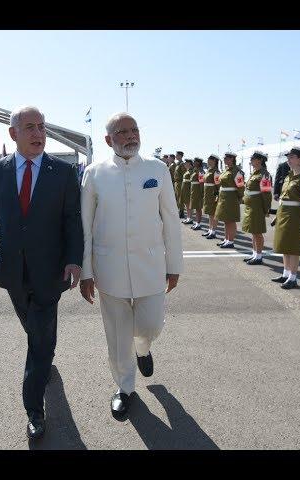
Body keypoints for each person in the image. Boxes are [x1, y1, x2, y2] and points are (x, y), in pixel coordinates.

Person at [0, 106, 83, 440]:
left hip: (50, 272)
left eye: (42, 127)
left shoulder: (62, 172)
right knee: (35, 330)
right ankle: (44, 356)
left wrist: (74, 259)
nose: (38, 134)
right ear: (13, 134)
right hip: (11, 272)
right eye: (30, 127)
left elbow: (71, 221)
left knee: (39, 339)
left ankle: (34, 409)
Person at [80, 113, 182, 420]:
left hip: (150, 263)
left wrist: (174, 263)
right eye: (122, 132)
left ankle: (143, 347)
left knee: (150, 324)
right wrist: (86, 271)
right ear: (108, 140)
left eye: (134, 130)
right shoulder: (94, 173)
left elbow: (171, 219)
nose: (130, 136)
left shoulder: (157, 169)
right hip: (108, 267)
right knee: (116, 332)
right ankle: (124, 388)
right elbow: (84, 225)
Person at [272, 147, 300, 289]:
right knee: (285, 245)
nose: (288, 160)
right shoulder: (288, 176)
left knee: (293, 248)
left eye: (292, 157)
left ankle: (293, 277)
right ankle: (285, 273)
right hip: (284, 213)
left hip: (295, 214)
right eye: (288, 157)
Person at [241, 151, 273, 265]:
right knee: (253, 231)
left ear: (260, 160)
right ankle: (254, 254)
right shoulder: (255, 173)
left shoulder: (264, 174)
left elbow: (267, 194)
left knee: (257, 232)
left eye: (253, 159)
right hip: (251, 206)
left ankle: (259, 256)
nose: (251, 161)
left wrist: (266, 209)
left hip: (258, 206)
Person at [215, 152, 245, 248]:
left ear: (232, 159)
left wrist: (240, 198)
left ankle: (231, 241)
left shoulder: (236, 171)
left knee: (231, 220)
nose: (224, 160)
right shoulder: (226, 170)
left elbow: (240, 187)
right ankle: (226, 239)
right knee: (225, 220)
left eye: (226, 158)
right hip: (224, 197)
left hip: (231, 198)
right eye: (224, 158)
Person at [202, 154, 221, 239]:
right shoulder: (209, 170)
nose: (208, 161)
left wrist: (217, 195)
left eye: (210, 160)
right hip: (207, 193)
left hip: (213, 193)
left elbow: (218, 185)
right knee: (210, 213)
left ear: (214, 161)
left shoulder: (216, 171)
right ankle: (210, 229)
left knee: (213, 213)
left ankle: (213, 231)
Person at [189, 157, 205, 231]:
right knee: (195, 207)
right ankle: (196, 222)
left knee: (198, 208)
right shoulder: (195, 170)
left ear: (198, 162)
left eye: (195, 161)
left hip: (198, 191)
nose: (194, 163)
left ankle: (198, 223)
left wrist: (201, 192)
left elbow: (201, 183)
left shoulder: (200, 171)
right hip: (194, 191)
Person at [180, 158, 194, 224]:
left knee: (188, 204)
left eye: (186, 163)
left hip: (188, 189)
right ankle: (188, 217)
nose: (185, 164)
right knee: (186, 204)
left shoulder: (191, 171)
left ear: (190, 164)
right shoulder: (187, 171)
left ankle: (190, 218)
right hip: (185, 189)